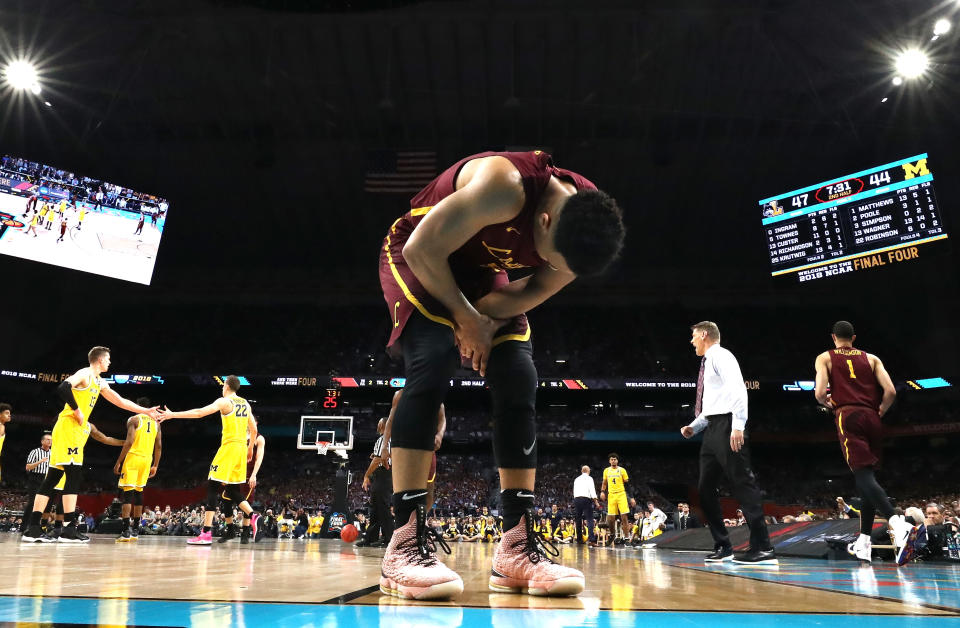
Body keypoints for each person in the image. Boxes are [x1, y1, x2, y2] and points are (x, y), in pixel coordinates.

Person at [378, 150, 624, 599]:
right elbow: (421, 250)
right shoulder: (504, 186)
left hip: (480, 274)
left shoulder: (585, 227)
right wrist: (465, 319)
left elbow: (533, 289)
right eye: (554, 259)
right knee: (432, 361)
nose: (558, 270)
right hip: (419, 255)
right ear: (544, 221)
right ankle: (403, 544)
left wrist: (485, 320)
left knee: (518, 375)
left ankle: (514, 547)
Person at [21, 347, 154, 543]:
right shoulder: (85, 373)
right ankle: (68, 530)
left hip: (68, 429)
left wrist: (146, 411)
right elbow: (63, 387)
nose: (110, 362)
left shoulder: (99, 382)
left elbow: (121, 401)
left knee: (53, 477)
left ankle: (33, 528)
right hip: (69, 428)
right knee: (73, 477)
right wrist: (76, 410)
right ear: (99, 360)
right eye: (108, 359)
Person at [814, 321, 914, 564]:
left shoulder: (825, 357)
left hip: (848, 415)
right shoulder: (872, 358)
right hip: (872, 416)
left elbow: (819, 393)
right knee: (866, 478)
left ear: (833, 337)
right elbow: (891, 392)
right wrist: (879, 411)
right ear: (854, 338)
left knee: (862, 475)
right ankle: (864, 542)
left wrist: (830, 405)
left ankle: (896, 522)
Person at [680, 322, 776, 565]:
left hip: (728, 426)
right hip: (712, 428)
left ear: (704, 335)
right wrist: (695, 425)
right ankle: (724, 546)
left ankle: (763, 548)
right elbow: (713, 404)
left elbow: (737, 390)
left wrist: (738, 425)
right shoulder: (707, 362)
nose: (691, 342)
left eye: (693, 337)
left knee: (742, 482)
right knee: (704, 489)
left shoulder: (722, 356)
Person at [158, 375, 260, 546]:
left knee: (212, 486)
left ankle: (205, 533)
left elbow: (199, 413)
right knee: (233, 490)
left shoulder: (224, 401)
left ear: (226, 386)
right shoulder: (246, 403)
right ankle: (253, 515)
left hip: (228, 448)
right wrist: (250, 448)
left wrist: (172, 415)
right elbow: (254, 429)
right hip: (241, 449)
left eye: (223, 385)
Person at [381, 389, 445, 510]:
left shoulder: (434, 395)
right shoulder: (400, 395)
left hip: (426, 447)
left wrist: (440, 434)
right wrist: (384, 446)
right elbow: (390, 421)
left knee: (429, 490)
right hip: (404, 447)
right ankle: (403, 521)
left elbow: (442, 418)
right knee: (401, 490)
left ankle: (421, 520)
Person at [113, 398, 162, 543]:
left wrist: (118, 462)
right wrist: (155, 465)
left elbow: (129, 442)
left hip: (133, 458)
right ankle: (135, 529)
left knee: (128, 495)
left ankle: (125, 531)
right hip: (147, 460)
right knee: (139, 493)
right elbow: (158, 446)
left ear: (137, 407)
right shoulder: (156, 424)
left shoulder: (134, 419)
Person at [219, 431, 265, 544]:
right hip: (233, 473)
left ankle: (245, 533)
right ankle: (230, 530)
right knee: (226, 500)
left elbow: (259, 458)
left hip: (247, 475)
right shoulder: (237, 434)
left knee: (245, 503)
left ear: (255, 423)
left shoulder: (259, 438)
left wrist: (254, 475)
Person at [359, 417, 393, 547]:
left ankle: (389, 539)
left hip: (383, 476)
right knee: (376, 508)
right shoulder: (390, 440)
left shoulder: (383, 439)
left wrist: (366, 476)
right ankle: (371, 538)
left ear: (384, 425)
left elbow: (378, 459)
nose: (377, 426)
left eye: (379, 423)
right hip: (384, 476)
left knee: (382, 508)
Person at [600, 454, 634, 545]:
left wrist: (631, 498)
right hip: (611, 495)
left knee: (624, 517)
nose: (613, 461)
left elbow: (627, 485)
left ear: (617, 461)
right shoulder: (606, 470)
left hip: (621, 494)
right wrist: (602, 491)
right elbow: (604, 483)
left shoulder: (622, 470)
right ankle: (612, 535)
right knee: (610, 518)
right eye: (612, 459)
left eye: (615, 459)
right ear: (609, 461)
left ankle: (626, 538)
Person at [573, 465, 600, 546]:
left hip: (577, 499)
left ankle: (579, 539)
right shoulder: (589, 478)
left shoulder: (576, 479)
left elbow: (574, 491)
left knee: (578, 519)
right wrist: (596, 502)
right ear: (588, 471)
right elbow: (592, 491)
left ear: (582, 471)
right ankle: (591, 540)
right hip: (586, 499)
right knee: (589, 519)